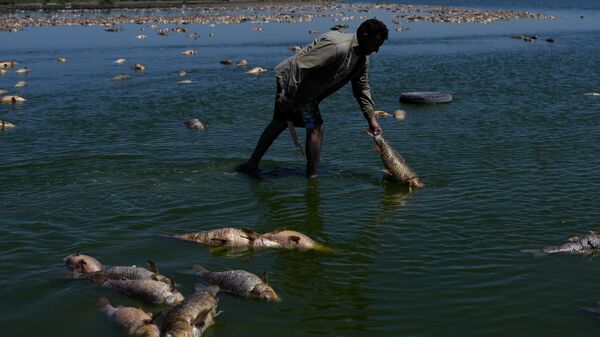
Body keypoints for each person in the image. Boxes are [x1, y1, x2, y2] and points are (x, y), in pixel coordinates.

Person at [237, 18, 388, 178]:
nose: (376, 50)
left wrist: (371, 119)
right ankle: (312, 177)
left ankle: (251, 165)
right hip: (292, 82)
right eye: (375, 44)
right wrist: (289, 98)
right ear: (364, 37)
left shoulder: (362, 59)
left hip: (308, 92)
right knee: (314, 127)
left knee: (281, 122)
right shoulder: (338, 46)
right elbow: (299, 65)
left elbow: (361, 88)